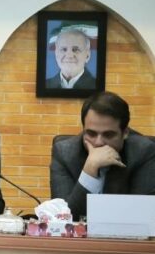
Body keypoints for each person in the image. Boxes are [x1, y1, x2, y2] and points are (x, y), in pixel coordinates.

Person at [50, 91, 155, 220]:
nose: (98, 142)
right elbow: (64, 219)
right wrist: (90, 169)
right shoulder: (64, 153)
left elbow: (143, 216)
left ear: (125, 133)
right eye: (91, 133)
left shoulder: (144, 151)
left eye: (108, 135)